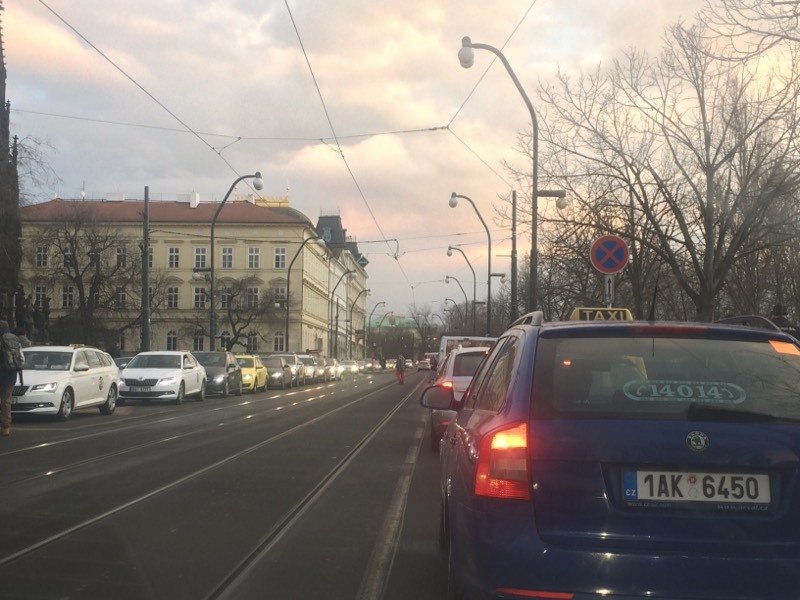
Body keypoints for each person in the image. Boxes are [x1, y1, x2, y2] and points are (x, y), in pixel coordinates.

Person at [0, 319, 24, 437]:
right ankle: (6, 427)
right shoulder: (15, 339)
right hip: (11, 375)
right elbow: (21, 359)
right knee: (6, 401)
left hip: (1, 372)